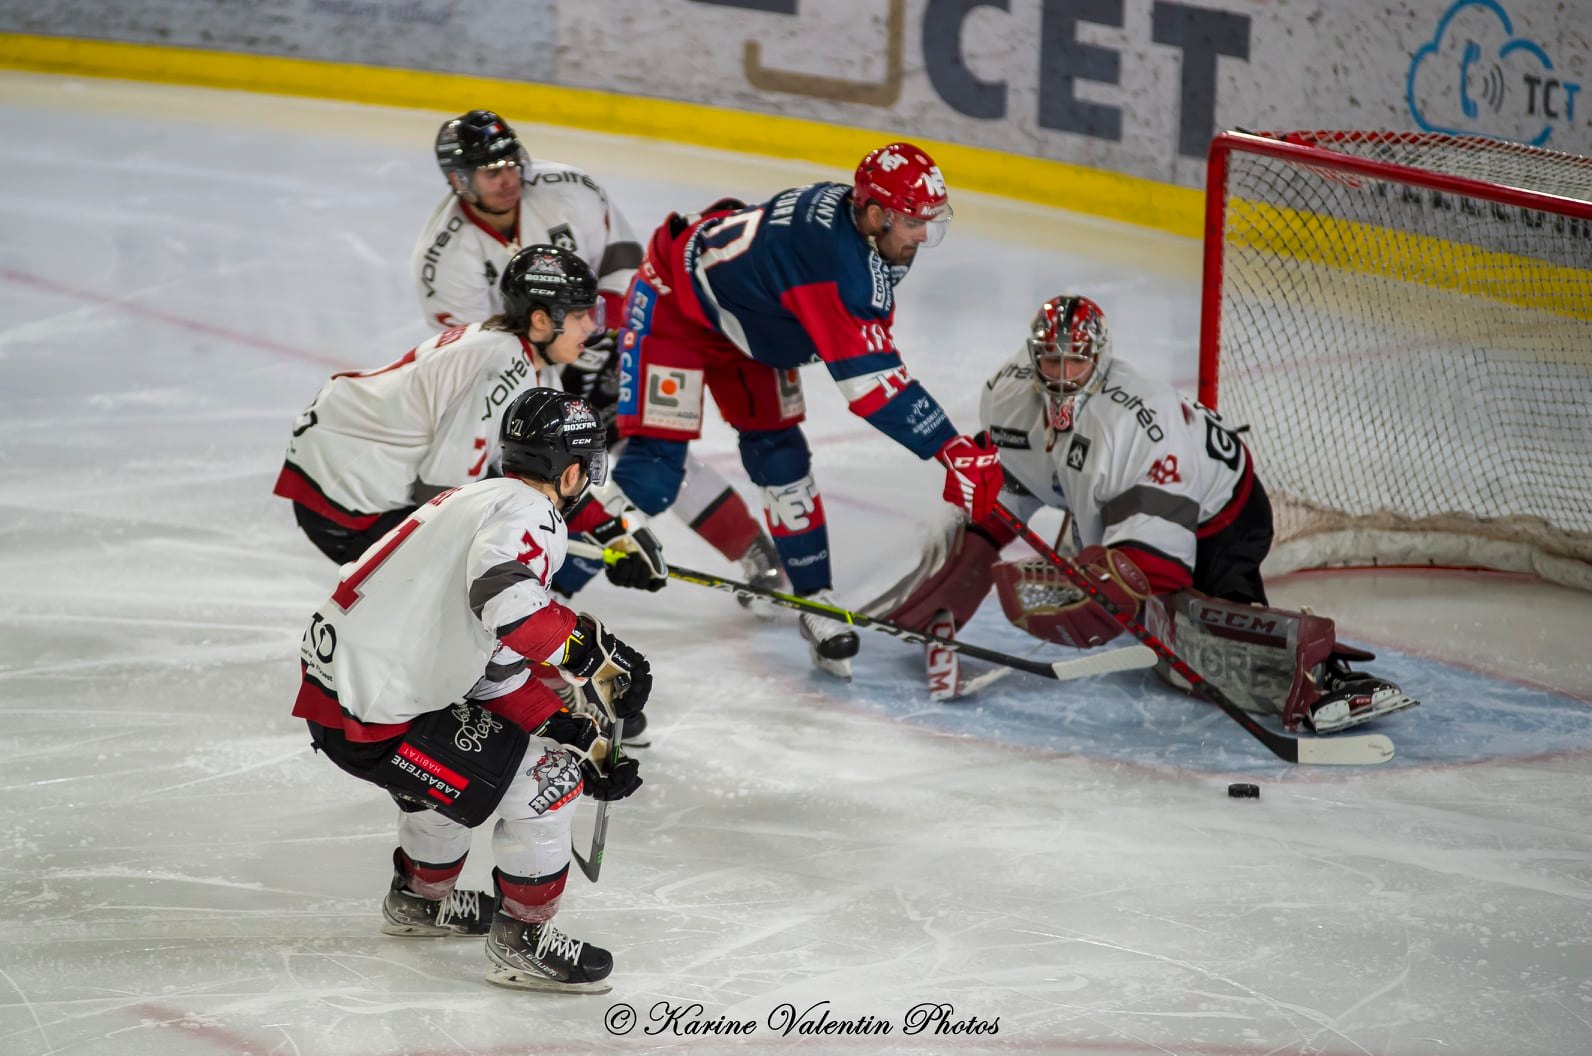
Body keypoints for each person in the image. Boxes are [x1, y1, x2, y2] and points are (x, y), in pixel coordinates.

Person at [868, 294, 1416, 733]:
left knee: (1188, 652)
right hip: (1113, 499)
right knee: (1121, 594)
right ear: (1032, 357)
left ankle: (1322, 671)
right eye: (1051, 359)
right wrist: (963, 564)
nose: (1061, 373)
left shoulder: (1134, 423)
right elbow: (1012, 479)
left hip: (1220, 513)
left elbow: (1162, 564)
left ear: (1100, 361)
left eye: (1076, 359)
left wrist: (1108, 588)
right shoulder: (1007, 392)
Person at [291, 387, 649, 993]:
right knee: (548, 785)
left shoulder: (476, 496)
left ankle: (420, 902)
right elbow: (508, 602)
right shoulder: (531, 513)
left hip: (351, 694)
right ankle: (523, 942)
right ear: (569, 470)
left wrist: (572, 733)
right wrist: (595, 656)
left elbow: (490, 667)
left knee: (469, 775)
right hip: (381, 711)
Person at [609, 142, 1005, 679]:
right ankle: (536, 582)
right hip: (674, 310)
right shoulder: (835, 267)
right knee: (653, 470)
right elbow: (874, 388)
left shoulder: (855, 232)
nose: (921, 237)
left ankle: (815, 600)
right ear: (873, 214)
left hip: (751, 326)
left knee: (781, 459)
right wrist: (953, 451)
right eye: (913, 222)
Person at [413, 109, 784, 607]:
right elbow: (483, 351)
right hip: (525, 367)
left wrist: (605, 341)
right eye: (490, 171)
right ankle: (529, 581)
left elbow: (628, 265)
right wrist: (548, 383)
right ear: (461, 181)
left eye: (510, 163)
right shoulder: (444, 262)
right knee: (545, 475)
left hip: (601, 334)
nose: (507, 179)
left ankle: (752, 548)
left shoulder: (570, 189)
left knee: (648, 450)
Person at [273, 243, 654, 590]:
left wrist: (612, 528)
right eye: (580, 315)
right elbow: (442, 494)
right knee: (475, 578)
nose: (592, 325)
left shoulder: (520, 356)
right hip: (350, 498)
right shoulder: (502, 365)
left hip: (343, 477)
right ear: (541, 320)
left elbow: (546, 468)